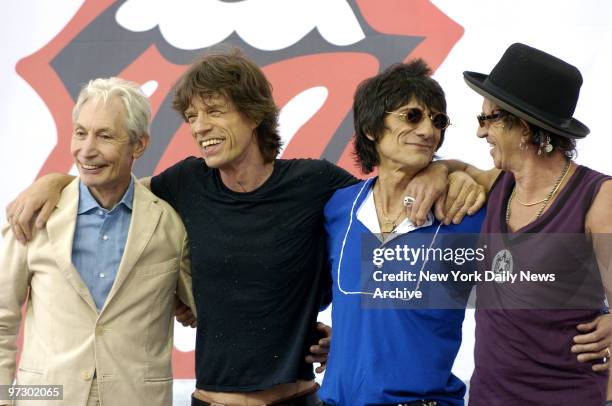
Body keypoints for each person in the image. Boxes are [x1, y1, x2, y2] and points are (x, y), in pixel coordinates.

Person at [4, 49, 489, 406]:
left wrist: (441, 169)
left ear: (254, 114)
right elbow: (111, 187)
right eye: (192, 116)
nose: (199, 127)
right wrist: (56, 183)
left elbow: (387, 183)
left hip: (300, 400)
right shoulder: (184, 184)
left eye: (215, 111)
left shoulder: (319, 186)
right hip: (211, 402)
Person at [0, 78, 195, 405]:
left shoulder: (169, 225)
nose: (87, 150)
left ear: (139, 145)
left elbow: (212, 310)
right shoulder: (33, 216)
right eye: (80, 132)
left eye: (104, 135)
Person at [320, 59, 486, 406]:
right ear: (370, 128)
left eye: (437, 121)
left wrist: (454, 168)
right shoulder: (338, 209)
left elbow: (544, 277)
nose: (428, 131)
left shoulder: (463, 211)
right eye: (412, 116)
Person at [462, 43, 612, 404]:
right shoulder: (497, 184)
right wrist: (436, 175)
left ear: (525, 128)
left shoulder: (599, 198)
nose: (480, 133)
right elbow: (453, 169)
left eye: (488, 119)